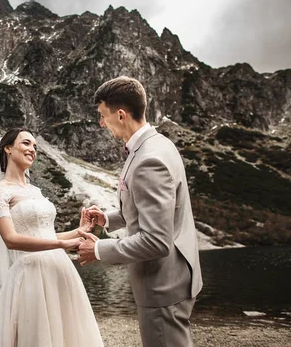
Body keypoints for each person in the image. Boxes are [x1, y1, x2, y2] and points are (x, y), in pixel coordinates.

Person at [78, 76, 203, 347]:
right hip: (171, 279)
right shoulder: (158, 145)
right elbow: (148, 209)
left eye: (103, 115)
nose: (101, 123)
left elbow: (156, 240)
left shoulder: (149, 159)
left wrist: (99, 250)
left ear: (121, 115)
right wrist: (109, 218)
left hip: (162, 285)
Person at [0, 128, 103, 347]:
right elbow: (11, 239)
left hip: (59, 270)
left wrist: (80, 230)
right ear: (8, 148)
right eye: (26, 143)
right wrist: (62, 244)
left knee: (66, 334)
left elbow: (44, 234)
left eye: (35, 146)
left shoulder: (36, 191)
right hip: (31, 274)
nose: (32, 150)